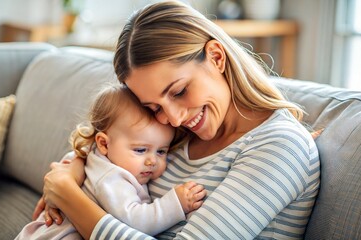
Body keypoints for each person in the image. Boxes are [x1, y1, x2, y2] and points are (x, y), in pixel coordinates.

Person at [34, 1, 320, 239]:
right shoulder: (181, 133)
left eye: (179, 91)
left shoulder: (280, 145)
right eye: (154, 107)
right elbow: (114, 142)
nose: (173, 118)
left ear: (216, 58)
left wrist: (69, 195)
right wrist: (76, 165)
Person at [17, 84, 206, 239]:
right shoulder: (112, 177)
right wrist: (176, 204)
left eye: (162, 151)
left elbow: (77, 156)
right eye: (140, 150)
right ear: (104, 144)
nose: (152, 161)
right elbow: (134, 222)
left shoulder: (96, 158)